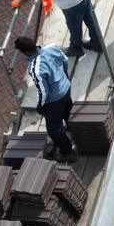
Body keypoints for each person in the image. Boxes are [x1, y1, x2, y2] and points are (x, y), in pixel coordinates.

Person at [15, 36, 77, 164]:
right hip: (66, 86)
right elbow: (65, 60)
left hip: (55, 99)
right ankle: (74, 130)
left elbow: (43, 91)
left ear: (26, 52)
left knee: (54, 129)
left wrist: (40, 105)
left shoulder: (35, 68)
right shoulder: (52, 47)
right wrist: (64, 77)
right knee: (67, 111)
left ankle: (68, 153)